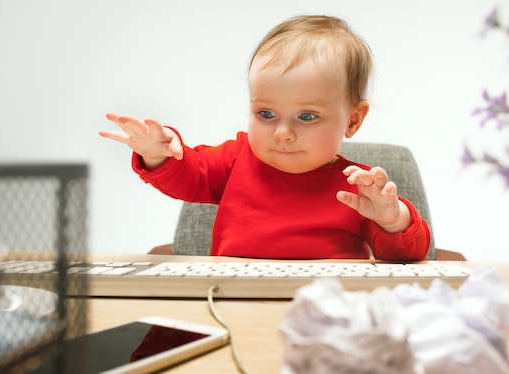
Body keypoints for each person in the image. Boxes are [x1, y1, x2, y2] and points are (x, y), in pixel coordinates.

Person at [100, 15, 431, 261]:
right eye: (266, 114)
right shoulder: (236, 159)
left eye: (306, 116)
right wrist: (159, 155)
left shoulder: (359, 187)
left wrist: (392, 218)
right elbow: (188, 176)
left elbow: (405, 256)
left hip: (327, 313)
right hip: (233, 301)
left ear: (353, 120)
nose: (282, 133)